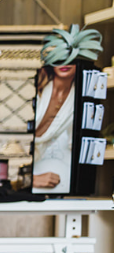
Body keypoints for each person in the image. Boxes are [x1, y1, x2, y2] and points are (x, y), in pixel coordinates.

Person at [32, 63, 77, 192]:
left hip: (39, 168)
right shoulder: (37, 86)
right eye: (60, 58)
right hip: (15, 171)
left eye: (71, 58)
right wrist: (31, 180)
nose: (65, 63)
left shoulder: (76, 98)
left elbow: (74, 144)